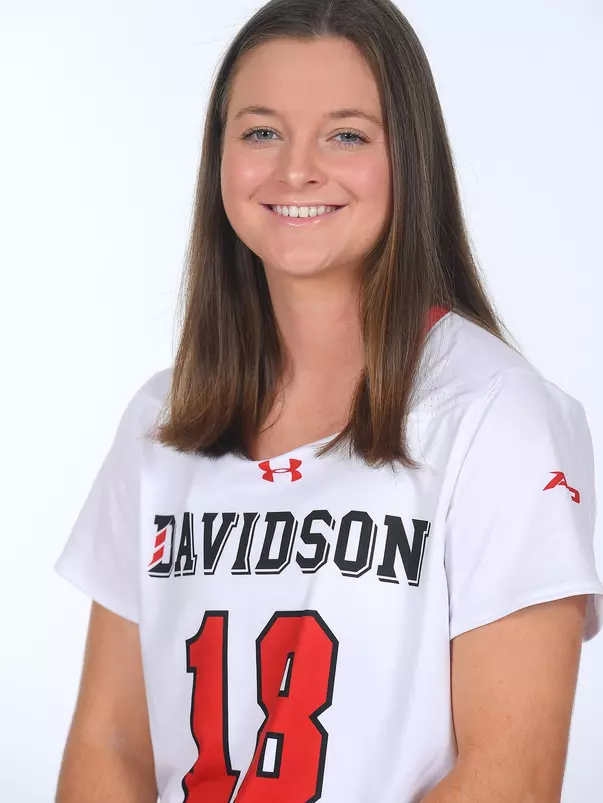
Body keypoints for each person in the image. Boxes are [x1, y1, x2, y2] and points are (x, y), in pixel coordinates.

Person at [53, 1, 603, 801]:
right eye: (260, 131)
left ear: (407, 159)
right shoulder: (160, 420)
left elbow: (506, 778)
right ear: (219, 158)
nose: (295, 170)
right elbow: (111, 740)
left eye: (345, 134)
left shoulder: (495, 414)